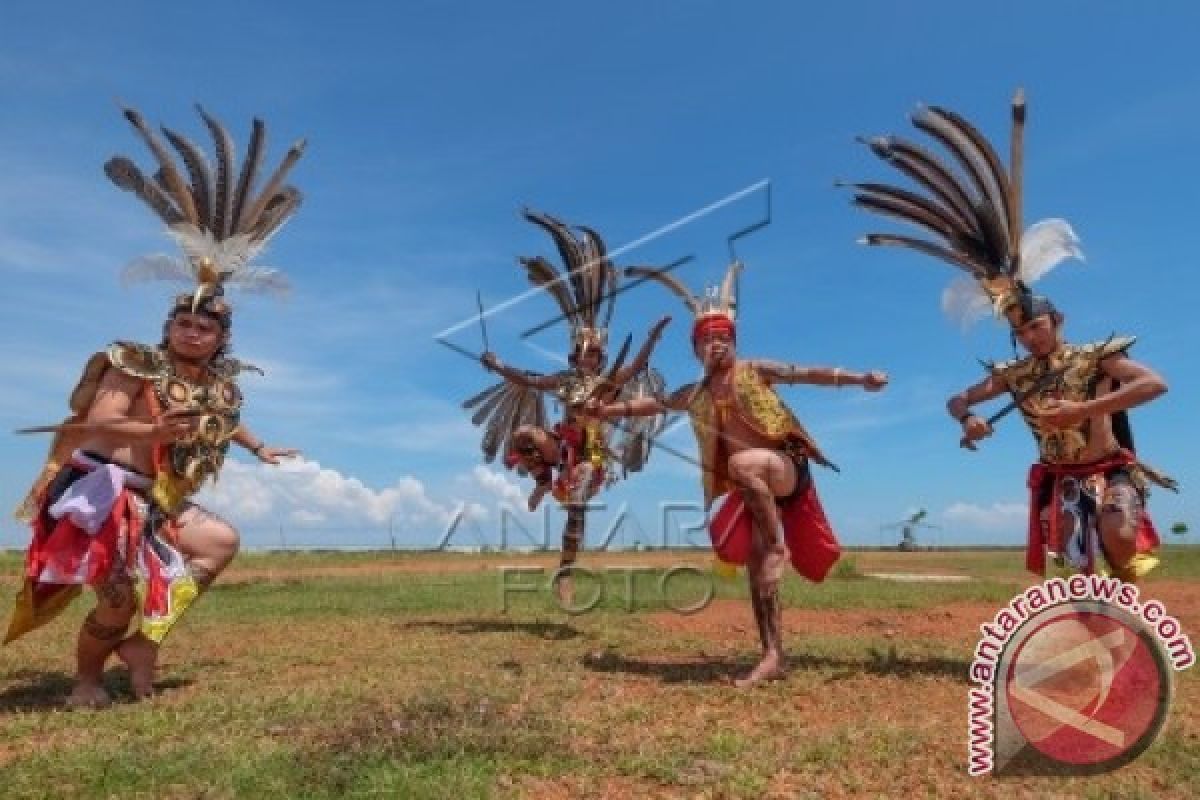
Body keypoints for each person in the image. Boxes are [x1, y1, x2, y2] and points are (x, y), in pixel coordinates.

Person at [5, 105, 304, 707]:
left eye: (205, 327)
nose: (193, 333)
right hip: (99, 494)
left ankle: (146, 641)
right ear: (168, 327)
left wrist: (259, 446)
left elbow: (226, 421)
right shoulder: (133, 362)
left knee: (219, 543)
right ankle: (86, 681)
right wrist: (151, 424)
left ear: (221, 339)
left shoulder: (216, 384)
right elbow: (102, 421)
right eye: (184, 322)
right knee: (114, 600)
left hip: (153, 498)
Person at [847, 90, 1175, 581]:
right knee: (1077, 565)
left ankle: (1131, 628)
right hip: (1063, 477)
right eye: (1020, 331)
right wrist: (969, 420)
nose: (1029, 337)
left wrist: (1081, 411)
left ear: (1056, 320)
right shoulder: (1015, 374)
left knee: (1119, 534)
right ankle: (1096, 629)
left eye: (1036, 326)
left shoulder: (1097, 358)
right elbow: (957, 399)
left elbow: (1155, 384)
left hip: (1109, 467)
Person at [586, 261, 888, 687]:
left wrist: (859, 379)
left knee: (744, 466)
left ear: (733, 342)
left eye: (722, 338)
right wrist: (606, 411)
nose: (715, 345)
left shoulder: (753, 370)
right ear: (695, 349)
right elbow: (651, 405)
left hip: (784, 469)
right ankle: (772, 655)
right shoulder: (695, 395)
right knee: (755, 570)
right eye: (707, 340)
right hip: (753, 489)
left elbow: (805, 373)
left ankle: (779, 547)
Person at [465, 210, 669, 605]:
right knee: (523, 434)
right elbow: (526, 380)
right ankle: (542, 480)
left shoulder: (608, 384)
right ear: (575, 355)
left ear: (599, 357)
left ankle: (565, 570)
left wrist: (651, 339)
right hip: (560, 447)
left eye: (593, 354)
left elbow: (636, 367)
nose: (587, 359)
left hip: (590, 454)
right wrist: (497, 365)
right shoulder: (562, 381)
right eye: (583, 353)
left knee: (577, 493)